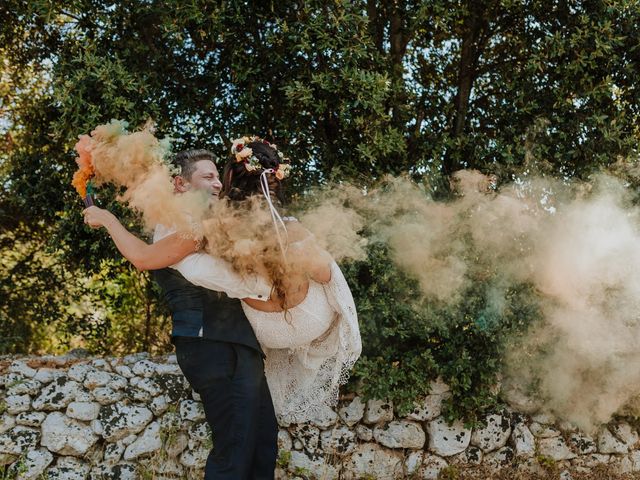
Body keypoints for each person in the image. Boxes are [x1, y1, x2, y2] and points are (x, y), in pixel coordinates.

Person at [83, 149, 278, 480]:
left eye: (219, 176)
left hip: (239, 345)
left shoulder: (215, 225)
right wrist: (107, 218)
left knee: (262, 447)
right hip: (212, 343)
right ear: (180, 184)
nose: (217, 184)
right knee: (234, 453)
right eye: (207, 176)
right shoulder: (177, 224)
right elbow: (143, 258)